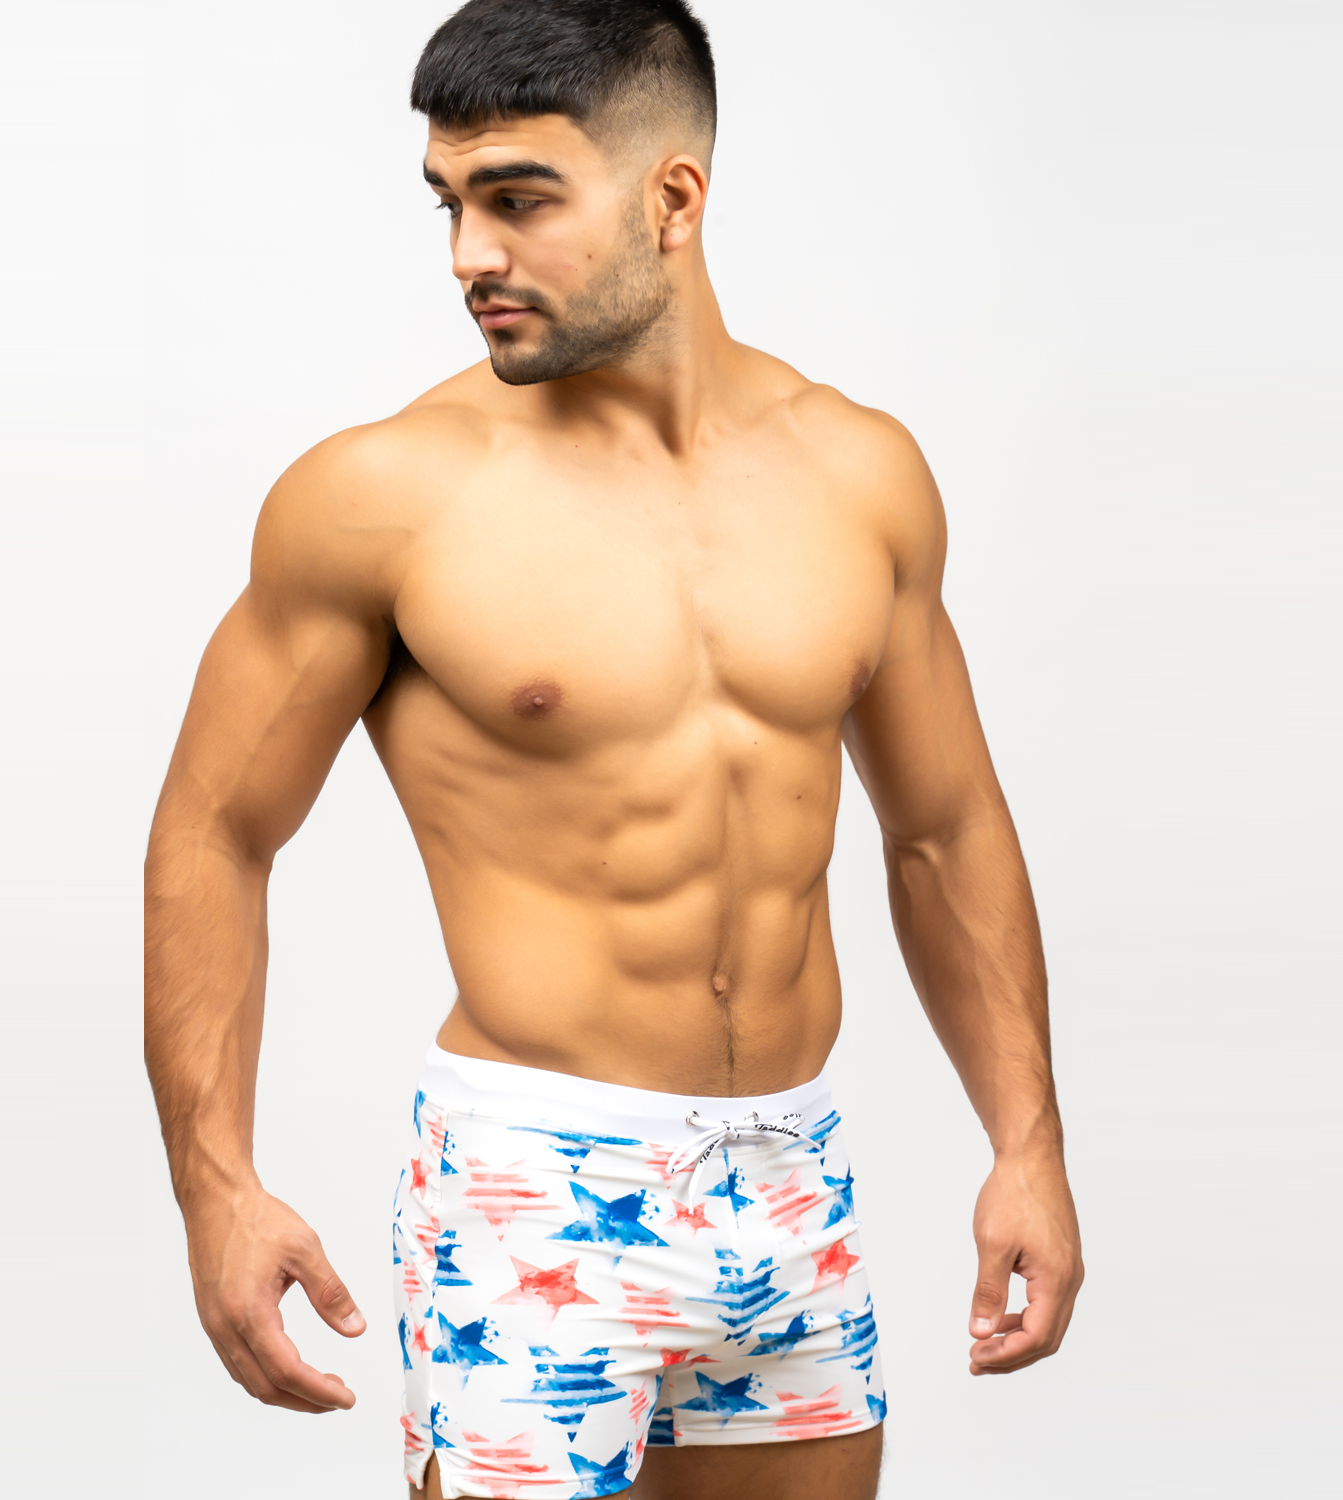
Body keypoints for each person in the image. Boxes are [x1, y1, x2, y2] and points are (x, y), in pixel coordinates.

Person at [142, 2, 1083, 1496]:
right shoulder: (383, 498)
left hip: (791, 1178)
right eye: (450, 205)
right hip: (536, 1180)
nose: (469, 255)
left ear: (673, 198)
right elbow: (214, 829)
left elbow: (943, 828)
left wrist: (1026, 1142)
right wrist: (217, 1189)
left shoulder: (860, 475)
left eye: (517, 200)